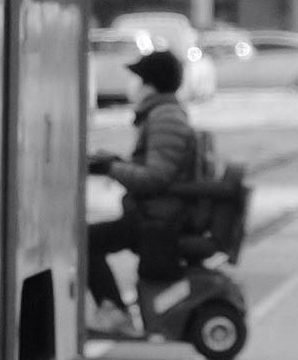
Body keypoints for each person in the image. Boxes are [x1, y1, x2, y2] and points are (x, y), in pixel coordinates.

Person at [84, 45, 210, 326]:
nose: (135, 86)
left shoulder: (165, 117)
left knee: (85, 241)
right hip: (159, 212)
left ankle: (115, 313)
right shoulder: (163, 114)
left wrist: (110, 168)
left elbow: (156, 178)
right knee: (91, 239)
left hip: (160, 217)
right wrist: (113, 162)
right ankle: (115, 310)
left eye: (140, 79)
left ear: (152, 84)